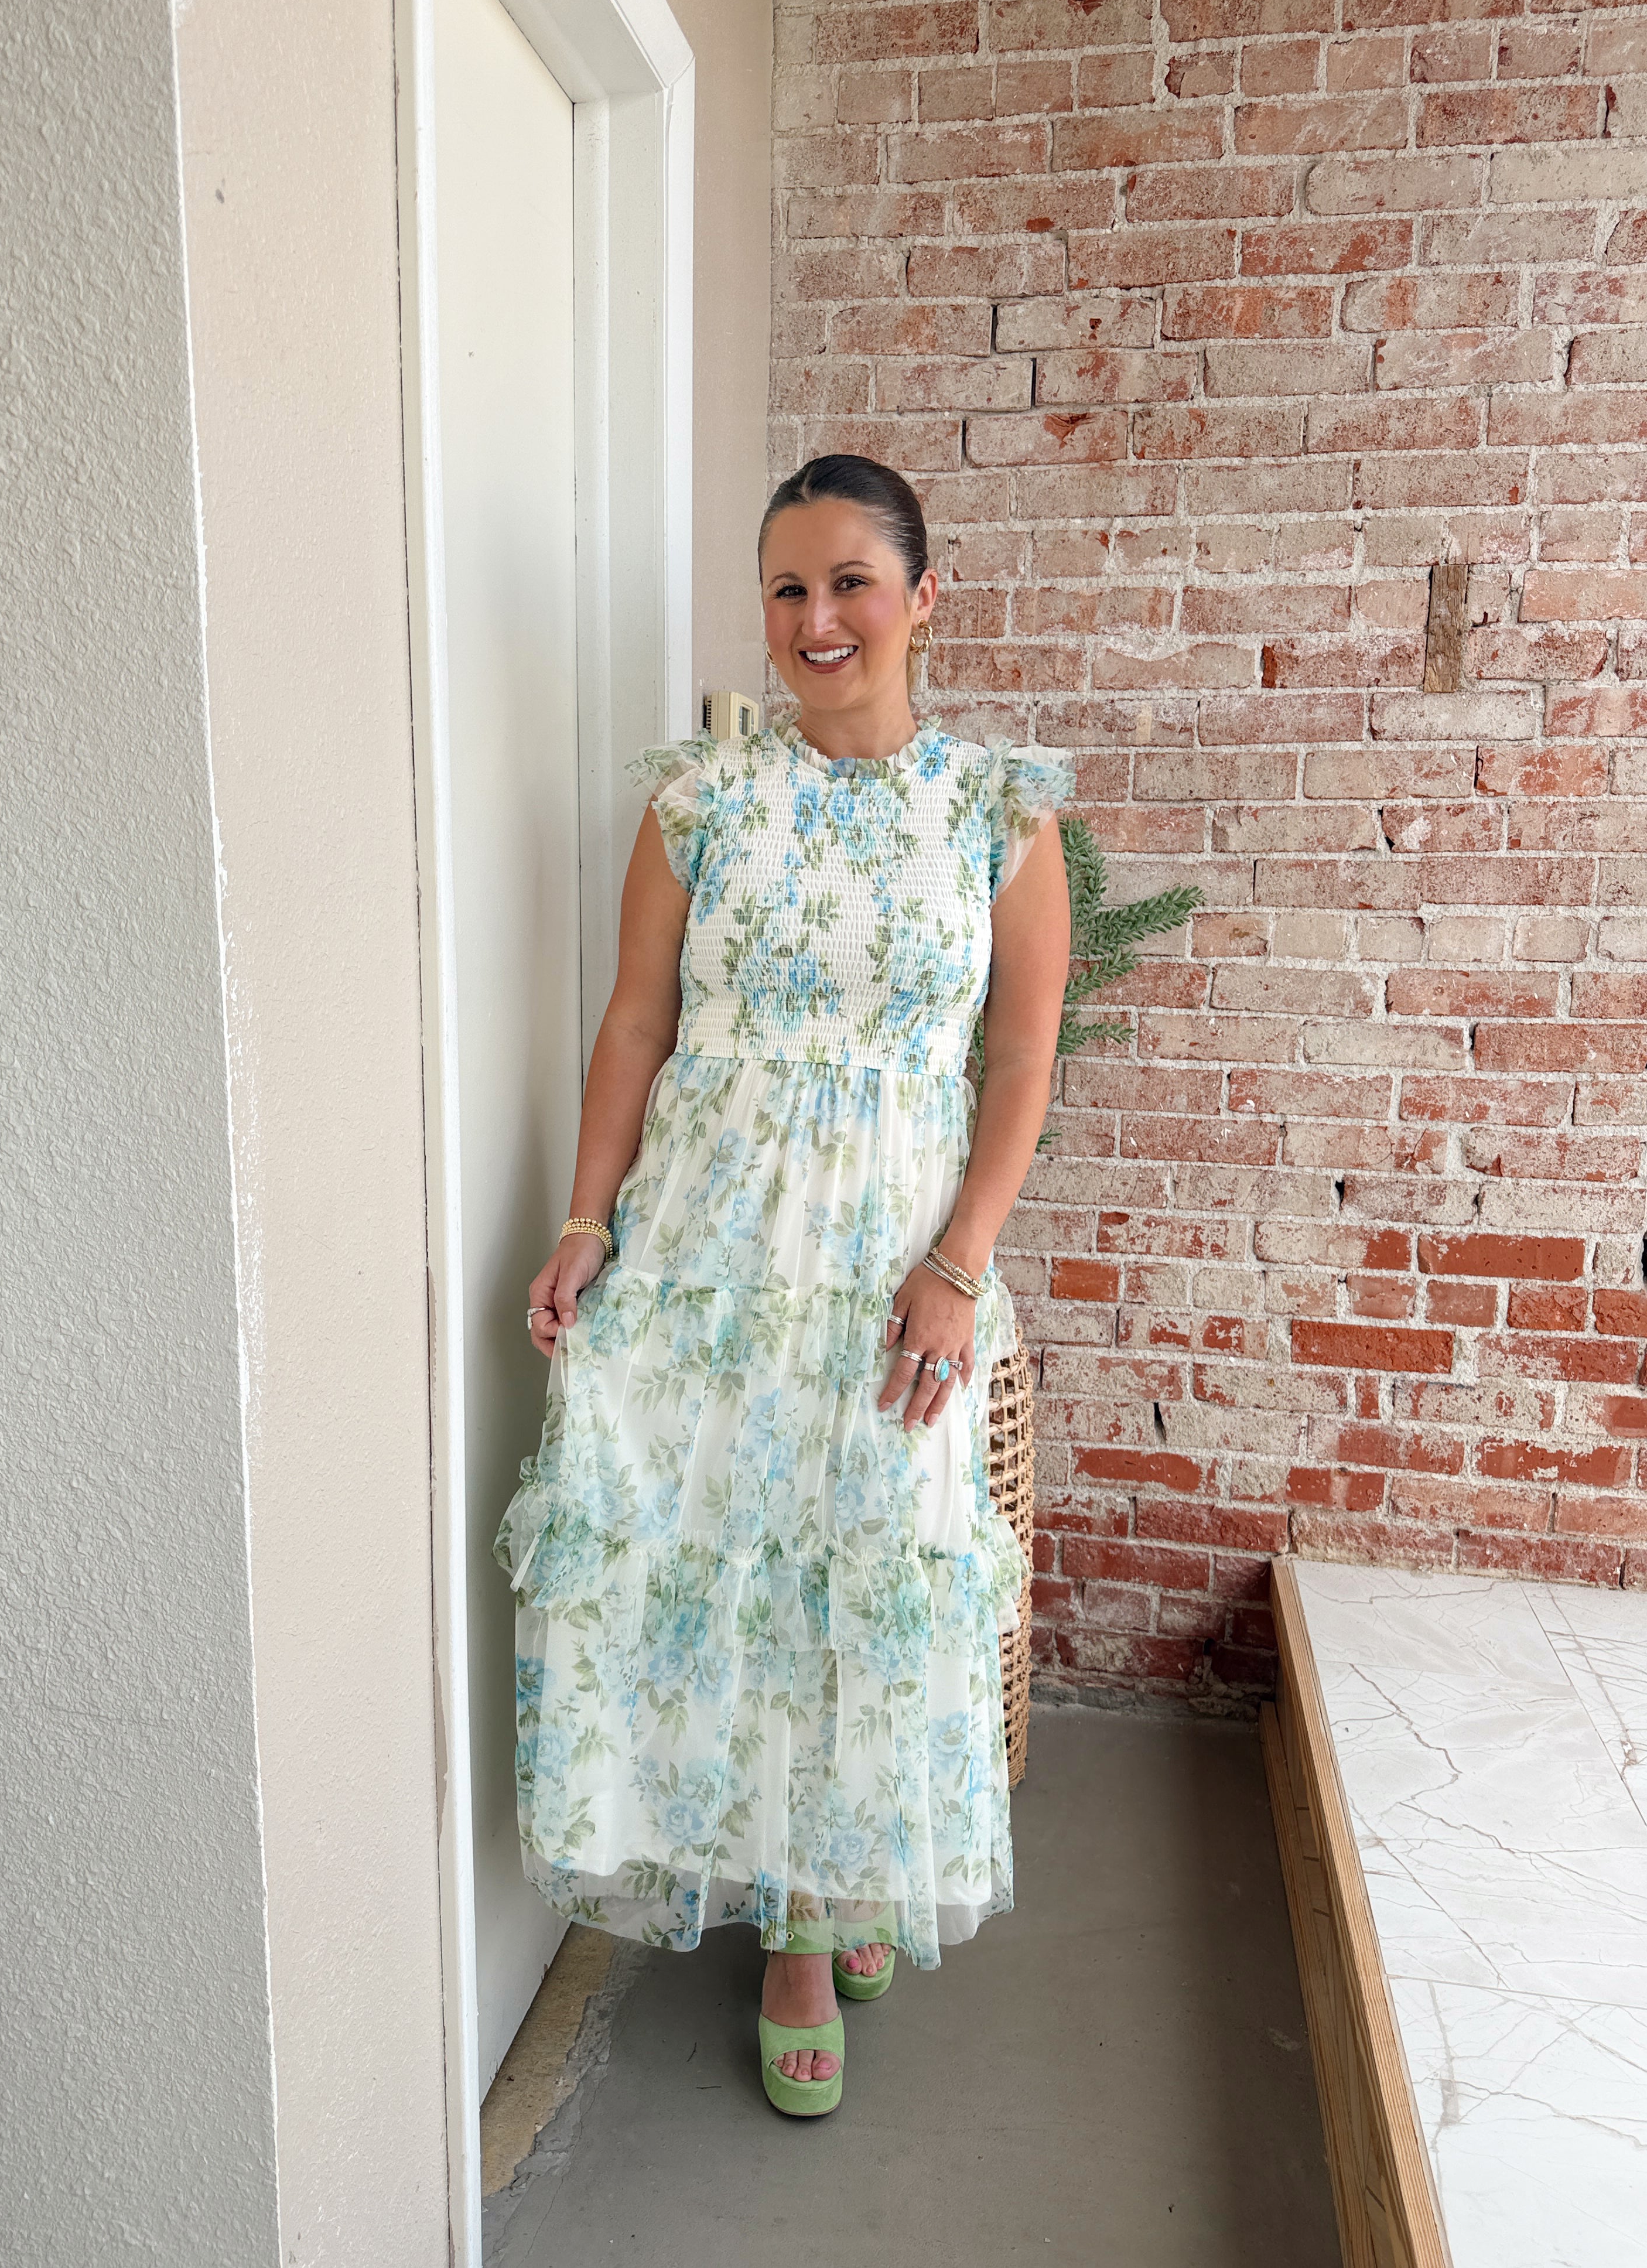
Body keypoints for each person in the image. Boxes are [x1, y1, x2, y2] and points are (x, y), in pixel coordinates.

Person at [496, 453, 1074, 2118]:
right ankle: (797, 1934)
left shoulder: (997, 812)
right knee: (729, 1561)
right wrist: (588, 1219)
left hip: (895, 1266)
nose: (818, 619)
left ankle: (849, 1869)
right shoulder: (701, 805)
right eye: (788, 588)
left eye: (850, 582)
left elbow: (1020, 1055)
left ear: (922, 598)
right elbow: (635, 1024)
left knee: (870, 1560)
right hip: (714, 1249)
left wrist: (960, 1263)